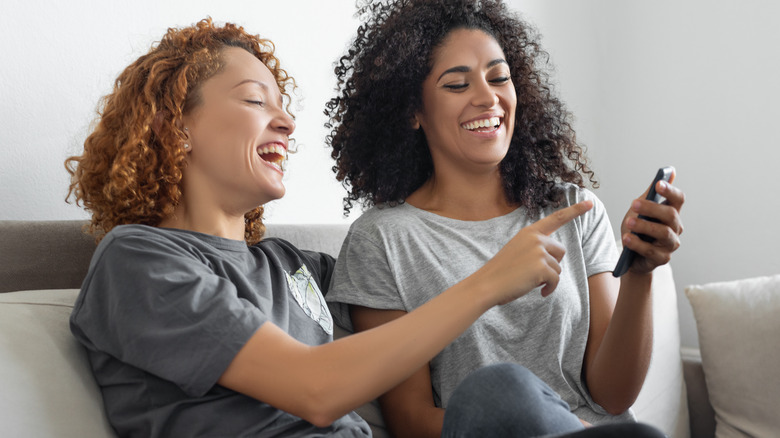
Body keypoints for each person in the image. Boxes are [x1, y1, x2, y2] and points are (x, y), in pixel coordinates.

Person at [63, 17, 633, 438]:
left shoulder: (298, 268)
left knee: (497, 394)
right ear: (174, 128)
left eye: (283, 106)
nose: (286, 122)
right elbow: (315, 389)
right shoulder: (138, 260)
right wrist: (489, 281)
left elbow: (414, 346)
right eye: (257, 102)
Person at [325, 0, 684, 437]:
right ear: (412, 112)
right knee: (499, 388)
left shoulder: (574, 211)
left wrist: (640, 276)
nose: (487, 96)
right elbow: (411, 420)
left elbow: (613, 397)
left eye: (499, 78)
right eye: (457, 84)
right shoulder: (382, 239)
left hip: (603, 427)